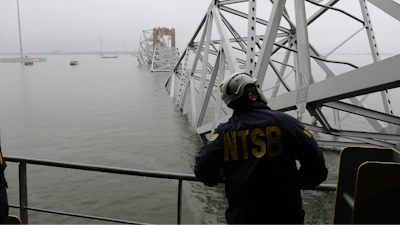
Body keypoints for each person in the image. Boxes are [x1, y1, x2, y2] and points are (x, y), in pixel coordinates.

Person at [194, 72, 328, 225]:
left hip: (243, 218)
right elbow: (317, 167)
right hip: (286, 217)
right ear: (252, 96)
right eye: (258, 88)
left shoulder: (224, 132)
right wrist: (297, 182)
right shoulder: (286, 123)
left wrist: (220, 179)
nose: (262, 91)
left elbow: (202, 168)